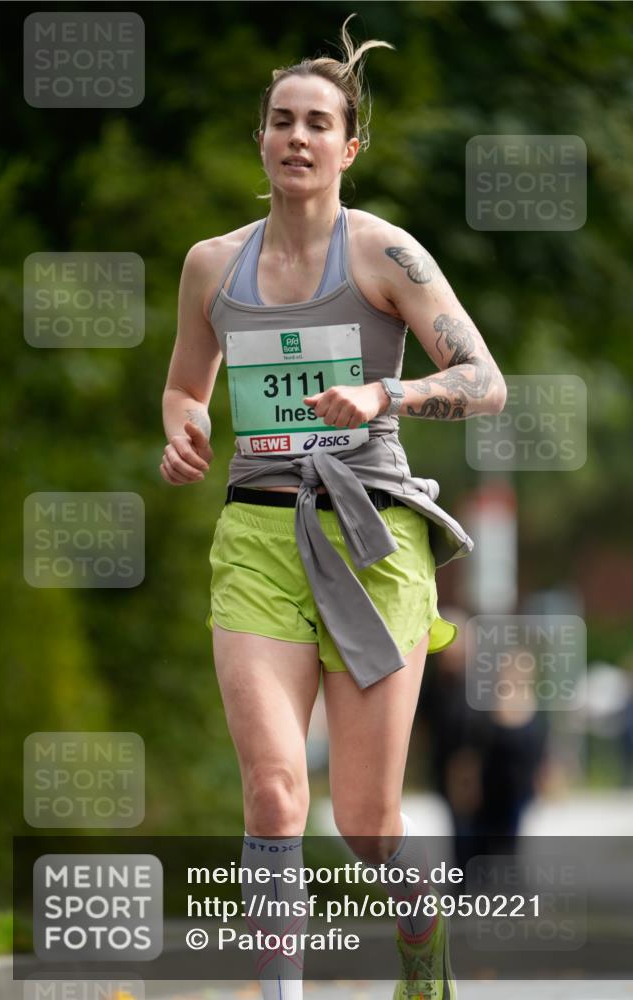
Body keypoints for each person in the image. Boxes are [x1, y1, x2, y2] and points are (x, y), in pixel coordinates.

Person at [160, 15, 506, 1000]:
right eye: (281, 121)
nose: (298, 137)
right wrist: (184, 423)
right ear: (261, 140)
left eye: (318, 122)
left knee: (365, 821)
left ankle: (420, 936)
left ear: (349, 147)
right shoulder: (209, 265)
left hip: (370, 539)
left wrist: (384, 396)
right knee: (273, 795)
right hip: (257, 535)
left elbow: (484, 381)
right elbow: (188, 383)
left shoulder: (385, 255)